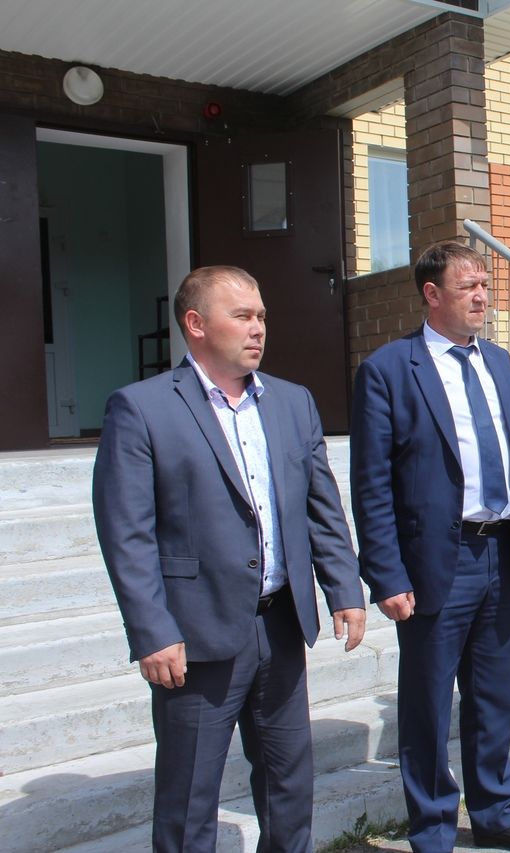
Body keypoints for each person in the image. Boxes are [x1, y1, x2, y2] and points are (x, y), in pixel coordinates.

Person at [92, 265, 367, 852]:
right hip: (196, 636)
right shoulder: (141, 409)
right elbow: (127, 534)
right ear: (195, 324)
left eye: (261, 316)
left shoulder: (293, 403)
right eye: (241, 315)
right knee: (191, 796)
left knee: (289, 784)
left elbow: (322, 505)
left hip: (280, 623)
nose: (258, 328)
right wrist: (152, 630)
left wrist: (343, 587)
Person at [349, 241, 510, 853]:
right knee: (427, 703)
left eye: (486, 285)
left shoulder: (497, 362)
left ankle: (496, 814)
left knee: (494, 695)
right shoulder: (390, 369)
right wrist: (385, 575)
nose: (481, 296)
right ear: (431, 294)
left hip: (501, 555)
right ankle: (433, 828)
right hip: (434, 564)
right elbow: (372, 485)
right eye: (468, 285)